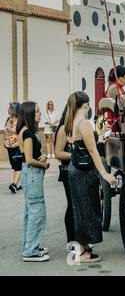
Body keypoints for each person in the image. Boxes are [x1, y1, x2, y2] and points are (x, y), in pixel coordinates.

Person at [65, 92, 117, 264]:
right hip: (84, 172)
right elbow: (93, 151)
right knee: (88, 210)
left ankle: (84, 247)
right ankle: (83, 253)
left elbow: (80, 146)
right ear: (86, 105)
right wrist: (104, 173)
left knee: (80, 210)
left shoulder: (70, 122)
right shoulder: (84, 123)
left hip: (74, 169)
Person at [16, 101, 50, 262]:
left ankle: (30, 246)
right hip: (32, 174)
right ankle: (30, 251)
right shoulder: (27, 133)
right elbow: (29, 159)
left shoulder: (26, 131)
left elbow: (29, 157)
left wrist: (41, 157)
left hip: (30, 174)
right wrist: (44, 163)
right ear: (29, 113)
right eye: (36, 111)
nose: (40, 113)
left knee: (31, 212)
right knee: (37, 212)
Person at [54, 105, 76, 244]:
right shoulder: (63, 129)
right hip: (68, 171)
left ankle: (80, 238)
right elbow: (58, 153)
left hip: (79, 171)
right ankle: (71, 240)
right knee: (72, 205)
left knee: (79, 206)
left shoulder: (79, 126)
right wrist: (75, 155)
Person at [105, 65, 125, 131]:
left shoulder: (119, 87)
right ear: (121, 77)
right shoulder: (114, 88)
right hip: (116, 123)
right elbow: (120, 107)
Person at [4, 102, 22, 193]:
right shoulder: (8, 119)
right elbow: (6, 131)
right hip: (9, 146)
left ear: (13, 110)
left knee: (18, 165)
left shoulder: (20, 121)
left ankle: (14, 184)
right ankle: (16, 183)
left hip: (17, 146)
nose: (8, 109)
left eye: (9, 108)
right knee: (14, 166)